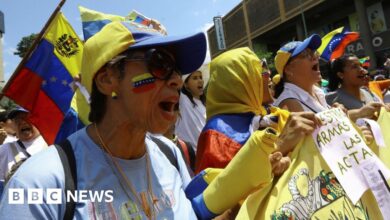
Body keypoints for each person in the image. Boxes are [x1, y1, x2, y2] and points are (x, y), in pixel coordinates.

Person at [0, 21, 207, 219]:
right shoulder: (38, 183)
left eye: (177, 70)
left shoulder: (170, 154)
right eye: (160, 63)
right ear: (107, 80)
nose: (177, 80)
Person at [195, 47, 291, 173]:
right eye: (259, 70)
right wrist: (284, 145)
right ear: (240, 81)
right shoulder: (216, 135)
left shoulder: (268, 114)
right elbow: (227, 184)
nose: (266, 75)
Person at [0, 107, 48, 196]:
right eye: (17, 120)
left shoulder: (51, 147)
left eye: (27, 118)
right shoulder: (5, 149)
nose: (22, 122)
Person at [175, 70, 206, 151]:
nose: (200, 81)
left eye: (201, 77)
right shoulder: (183, 101)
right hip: (189, 156)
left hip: (204, 154)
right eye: (195, 78)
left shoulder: (205, 105)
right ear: (185, 84)